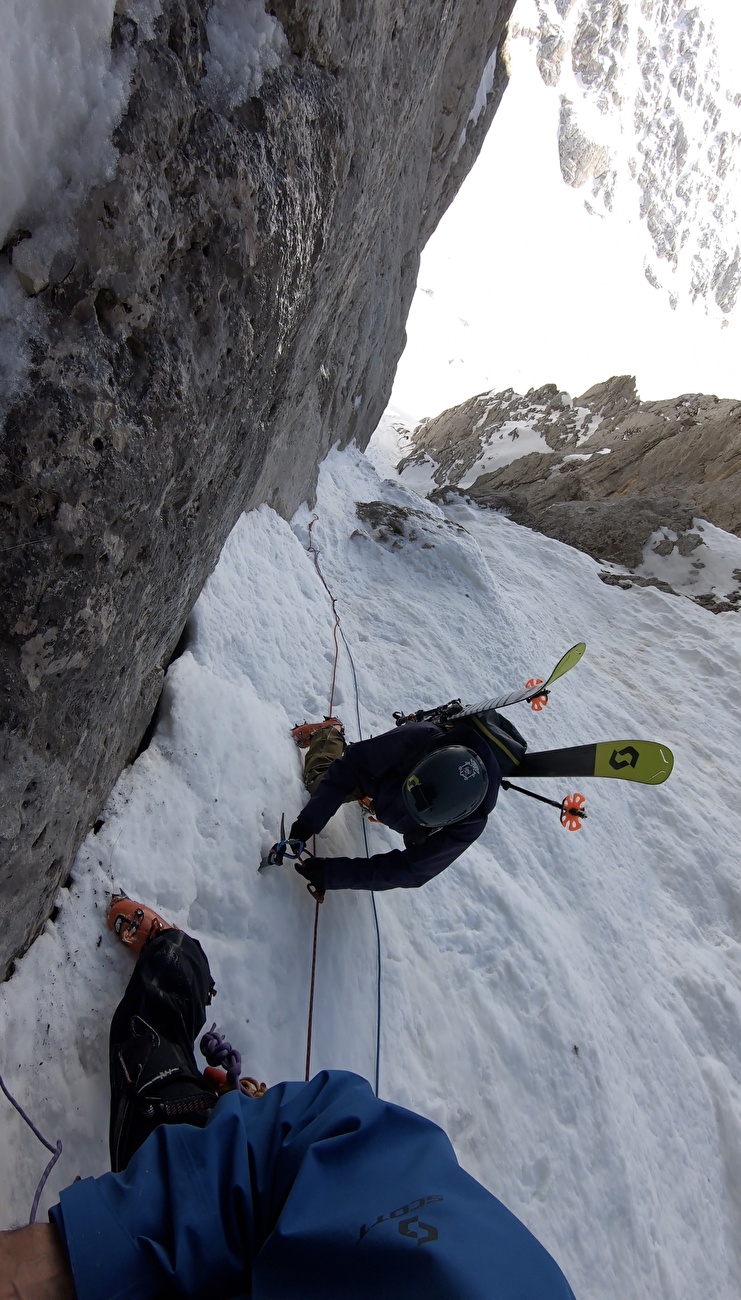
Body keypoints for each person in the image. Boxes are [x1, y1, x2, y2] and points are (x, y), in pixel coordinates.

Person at [0, 898, 576, 1300]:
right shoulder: (484, 1281)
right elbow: (328, 1141)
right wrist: (88, 1251)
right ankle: (178, 959)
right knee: (151, 1046)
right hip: (204, 1244)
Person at [278, 710, 522, 894]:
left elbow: (412, 869)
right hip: (384, 776)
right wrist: (308, 823)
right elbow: (351, 766)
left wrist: (334, 875)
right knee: (319, 786)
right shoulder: (416, 738)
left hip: (396, 794)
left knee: (392, 808)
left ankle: (386, 802)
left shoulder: (471, 822)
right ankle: (329, 732)